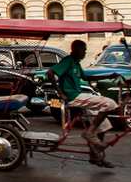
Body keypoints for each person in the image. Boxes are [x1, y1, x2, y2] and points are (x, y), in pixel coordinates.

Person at [47, 39, 123, 168]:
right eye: (83, 50)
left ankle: (96, 155)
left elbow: (86, 77)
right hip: (73, 96)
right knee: (109, 104)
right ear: (76, 49)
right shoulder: (68, 61)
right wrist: (60, 93)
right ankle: (90, 132)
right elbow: (50, 72)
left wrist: (108, 75)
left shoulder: (76, 63)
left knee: (103, 125)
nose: (84, 53)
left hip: (79, 95)